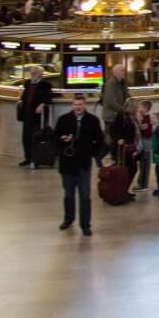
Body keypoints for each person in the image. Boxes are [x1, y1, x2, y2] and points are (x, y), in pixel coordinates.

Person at [54, 96, 104, 234]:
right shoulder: (64, 119)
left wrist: (91, 152)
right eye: (75, 104)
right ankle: (68, 219)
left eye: (80, 104)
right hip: (67, 163)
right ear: (72, 105)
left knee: (85, 195)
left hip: (83, 163)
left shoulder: (92, 120)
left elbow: (99, 139)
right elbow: (55, 137)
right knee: (68, 194)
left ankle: (85, 224)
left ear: (85, 105)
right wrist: (63, 140)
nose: (78, 107)